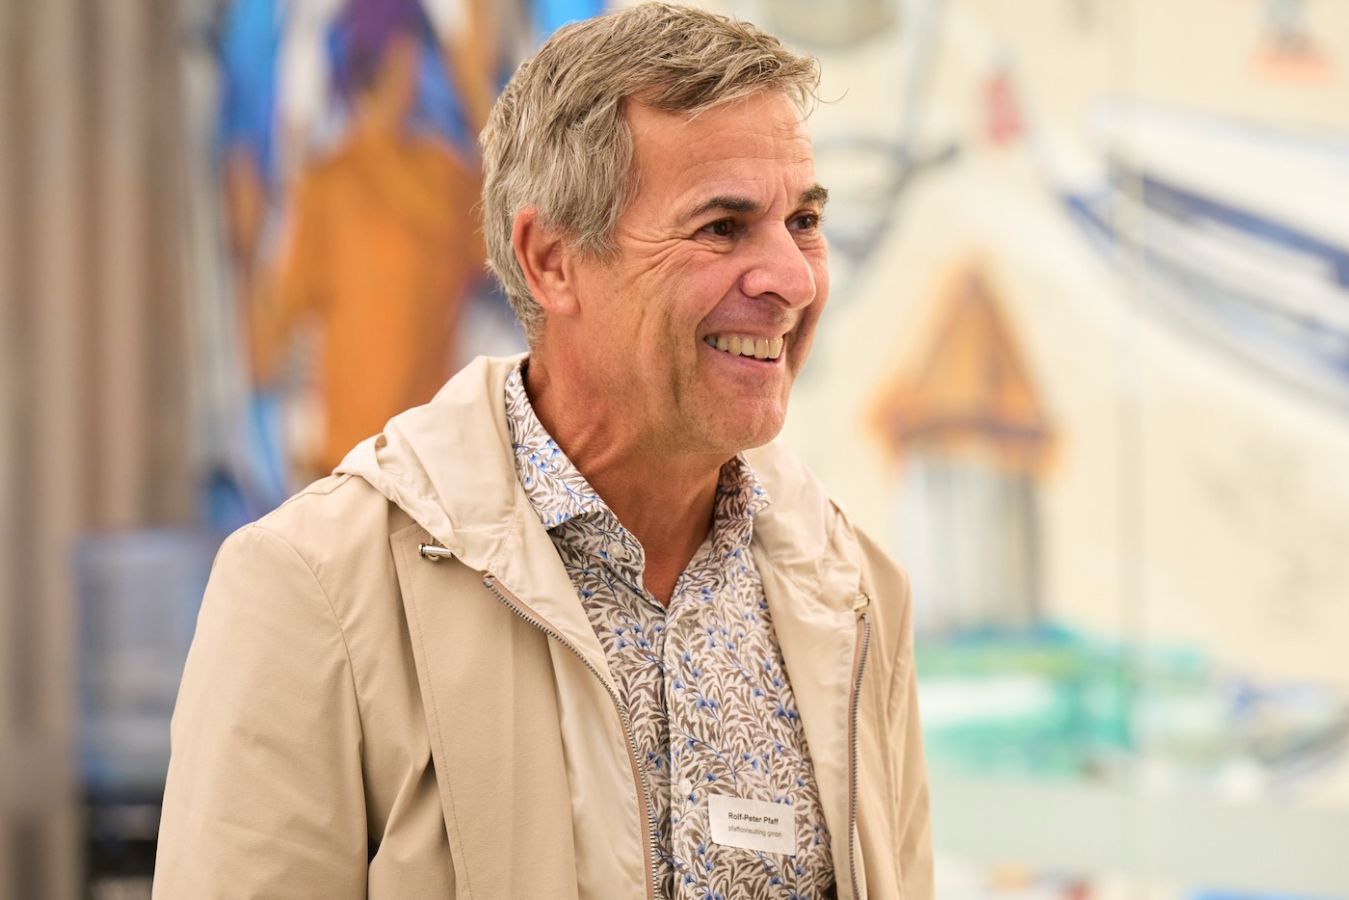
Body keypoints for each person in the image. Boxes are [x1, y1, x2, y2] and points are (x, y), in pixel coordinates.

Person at [153, 4, 933, 898]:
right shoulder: (315, 589)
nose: (791, 279)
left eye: (803, 220)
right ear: (551, 261)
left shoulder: (855, 595)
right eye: (722, 227)